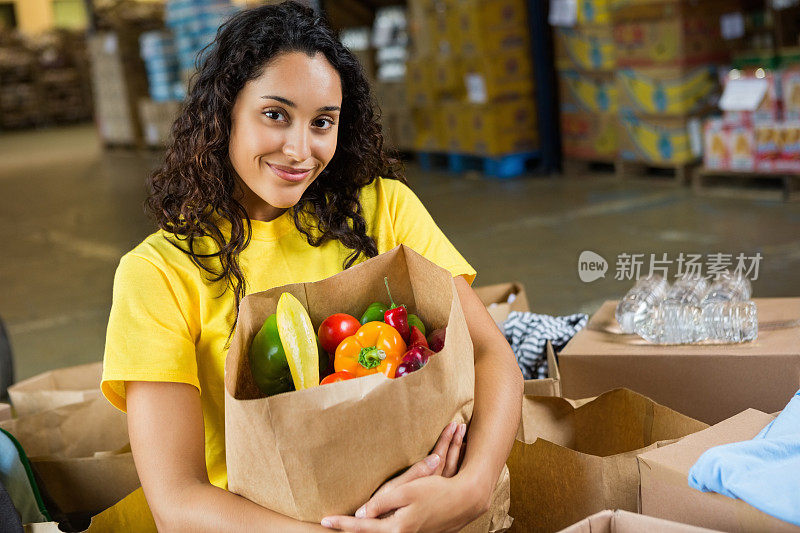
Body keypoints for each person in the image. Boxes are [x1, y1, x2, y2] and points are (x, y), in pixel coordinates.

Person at [101, 2, 523, 531]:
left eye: (322, 122)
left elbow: (491, 355)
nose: (300, 150)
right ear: (224, 111)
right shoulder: (160, 274)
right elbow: (177, 501)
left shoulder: (383, 210)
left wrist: (472, 487)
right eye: (275, 115)